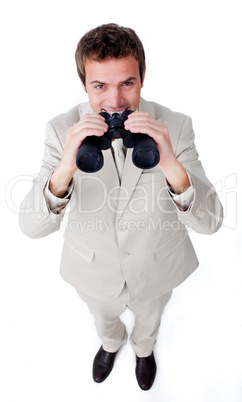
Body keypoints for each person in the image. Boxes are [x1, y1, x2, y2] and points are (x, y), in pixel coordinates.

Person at [19, 23, 223, 391]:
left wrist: (171, 164)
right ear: (84, 84)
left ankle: (144, 349)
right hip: (93, 270)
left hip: (156, 265)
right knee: (103, 318)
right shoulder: (60, 130)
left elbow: (212, 224)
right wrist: (65, 165)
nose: (114, 101)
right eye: (100, 86)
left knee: (151, 317)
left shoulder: (174, 127)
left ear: (143, 76)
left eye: (126, 83)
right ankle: (111, 344)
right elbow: (33, 228)